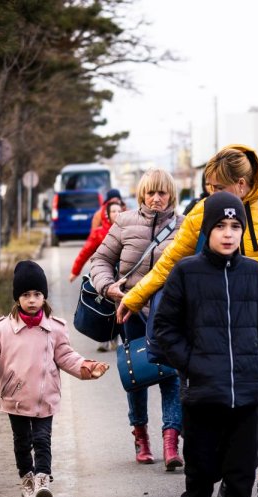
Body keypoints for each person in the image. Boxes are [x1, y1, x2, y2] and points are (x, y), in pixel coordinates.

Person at [116, 144, 258, 497]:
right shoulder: (205, 211)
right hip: (229, 320)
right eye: (208, 187)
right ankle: (233, 474)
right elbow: (172, 259)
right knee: (233, 399)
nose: (210, 194)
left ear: (242, 184)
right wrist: (136, 296)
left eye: (217, 187)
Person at [150, 192, 258, 497]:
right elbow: (163, 330)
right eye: (221, 226)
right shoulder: (187, 273)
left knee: (240, 476)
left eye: (236, 226)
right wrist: (193, 364)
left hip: (245, 397)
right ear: (207, 229)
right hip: (203, 396)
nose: (228, 234)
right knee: (202, 473)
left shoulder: (254, 275)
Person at [0, 261, 110, 497]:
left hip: (45, 397)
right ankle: (27, 478)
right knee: (22, 441)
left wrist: (85, 367)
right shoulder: (2, 330)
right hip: (15, 397)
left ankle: (43, 481)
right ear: (17, 298)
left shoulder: (54, 328)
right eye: (25, 295)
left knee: (42, 439)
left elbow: (66, 356)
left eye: (37, 294)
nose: (32, 300)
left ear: (44, 297)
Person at [88, 169, 184, 468]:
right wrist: (108, 286)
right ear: (142, 194)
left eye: (162, 193)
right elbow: (100, 260)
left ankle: (171, 442)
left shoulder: (184, 227)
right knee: (137, 376)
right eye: (150, 193)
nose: (156, 199)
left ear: (171, 195)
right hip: (130, 311)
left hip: (170, 316)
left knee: (172, 377)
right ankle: (141, 436)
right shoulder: (125, 222)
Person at [70, 196, 125, 282]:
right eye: (113, 211)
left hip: (123, 274)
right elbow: (85, 252)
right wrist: (75, 271)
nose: (117, 213)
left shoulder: (127, 230)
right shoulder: (98, 233)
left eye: (119, 211)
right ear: (108, 214)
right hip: (104, 274)